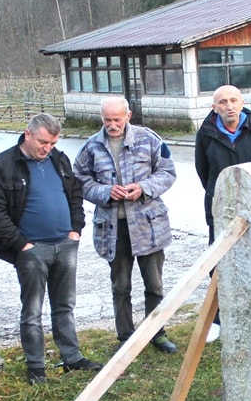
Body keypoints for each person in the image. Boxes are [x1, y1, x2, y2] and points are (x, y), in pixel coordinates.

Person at [0, 113, 102, 385]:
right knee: (32, 310)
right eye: (43, 142)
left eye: (53, 142)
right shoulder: (2, 166)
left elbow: (74, 194)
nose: (47, 148)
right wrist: (21, 245)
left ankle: (72, 358)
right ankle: (36, 367)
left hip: (65, 245)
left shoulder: (58, 160)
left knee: (65, 306)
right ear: (28, 134)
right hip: (31, 252)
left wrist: (75, 230)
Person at [73, 96, 179, 354]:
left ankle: (157, 333)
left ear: (128, 116)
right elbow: (79, 180)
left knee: (154, 284)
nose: (112, 125)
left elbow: (167, 172)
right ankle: (126, 338)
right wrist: (106, 192)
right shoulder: (91, 147)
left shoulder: (149, 139)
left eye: (117, 119)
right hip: (113, 229)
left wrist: (143, 188)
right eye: (107, 120)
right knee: (120, 286)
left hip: (148, 226)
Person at [194, 84, 251, 342]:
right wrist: (218, 196)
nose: (228, 106)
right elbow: (203, 170)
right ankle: (219, 318)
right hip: (221, 208)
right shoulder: (206, 133)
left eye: (233, 100)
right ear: (214, 107)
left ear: (242, 103)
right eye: (222, 102)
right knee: (219, 262)